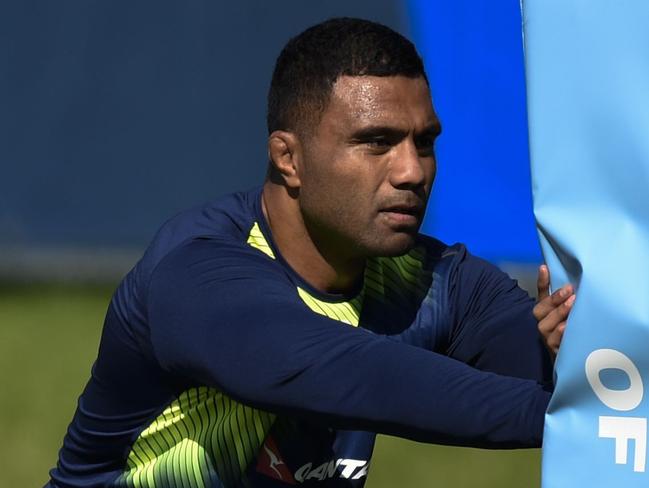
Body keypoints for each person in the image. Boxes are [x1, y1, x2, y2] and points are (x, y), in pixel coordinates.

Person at [47, 17, 573, 487]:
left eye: (425, 142)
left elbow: (560, 365)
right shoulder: (195, 273)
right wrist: (575, 420)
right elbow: (351, 374)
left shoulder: (437, 281)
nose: (412, 171)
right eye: (376, 142)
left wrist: (568, 351)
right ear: (288, 158)